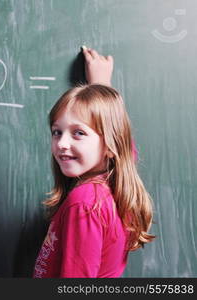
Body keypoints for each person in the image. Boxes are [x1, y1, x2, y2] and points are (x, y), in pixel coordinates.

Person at [32, 47, 155, 278]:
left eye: (78, 133)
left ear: (109, 145)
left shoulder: (85, 205)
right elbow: (125, 145)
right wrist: (101, 84)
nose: (62, 143)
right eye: (57, 132)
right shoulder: (112, 188)